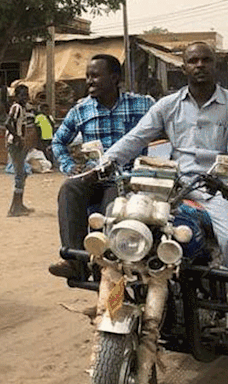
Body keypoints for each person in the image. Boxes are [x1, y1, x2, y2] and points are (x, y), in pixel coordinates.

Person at [102, 42, 228, 370]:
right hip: (176, 187)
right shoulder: (168, 105)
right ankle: (112, 303)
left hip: (217, 188)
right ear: (183, 67)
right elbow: (136, 137)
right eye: (193, 60)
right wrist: (105, 161)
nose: (200, 65)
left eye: (206, 60)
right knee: (128, 226)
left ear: (214, 65)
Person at [47, 55, 153, 280]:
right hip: (93, 177)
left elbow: (166, 128)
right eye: (87, 76)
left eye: (95, 76)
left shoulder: (142, 104)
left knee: (108, 214)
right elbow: (57, 142)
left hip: (128, 180)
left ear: (114, 78)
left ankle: (109, 283)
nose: (89, 81)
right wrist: (70, 166)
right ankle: (73, 260)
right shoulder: (81, 110)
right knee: (68, 189)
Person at [5, 85, 34, 217]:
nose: (25, 98)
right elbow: (7, 123)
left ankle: (19, 204)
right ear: (16, 96)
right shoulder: (16, 107)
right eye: (22, 95)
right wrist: (18, 138)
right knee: (19, 174)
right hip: (14, 143)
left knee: (22, 174)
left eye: (26, 95)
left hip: (18, 142)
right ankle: (14, 208)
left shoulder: (23, 108)